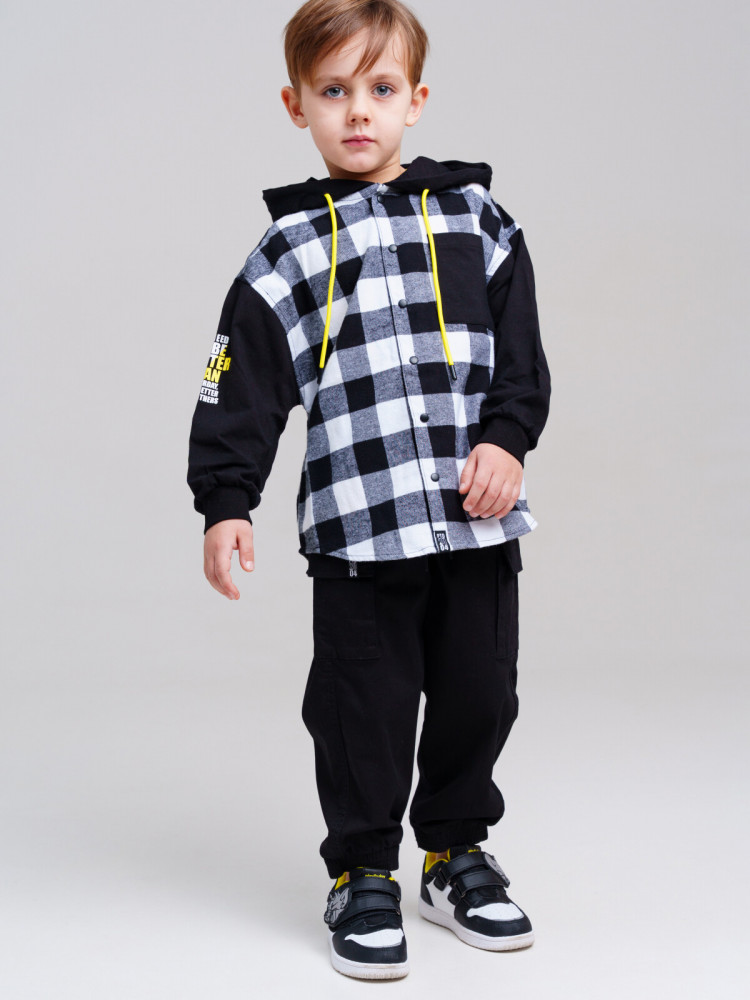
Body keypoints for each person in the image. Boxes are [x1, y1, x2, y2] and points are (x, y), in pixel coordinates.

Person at [187, 0, 551, 982]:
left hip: (475, 525)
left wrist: (507, 441)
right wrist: (226, 501)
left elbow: (522, 361)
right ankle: (362, 871)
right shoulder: (288, 251)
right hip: (360, 531)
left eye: (380, 89)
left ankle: (455, 854)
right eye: (334, 90)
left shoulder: (479, 222)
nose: (358, 111)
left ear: (415, 100)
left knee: (481, 694)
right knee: (362, 708)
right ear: (296, 105)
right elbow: (238, 384)